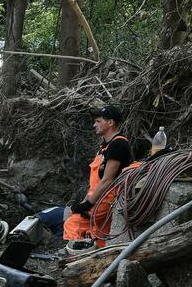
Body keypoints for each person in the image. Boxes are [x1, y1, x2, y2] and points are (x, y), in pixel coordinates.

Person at [39, 105, 131, 251]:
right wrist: (85, 200)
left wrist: (88, 204)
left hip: (107, 198)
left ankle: (73, 259)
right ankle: (95, 257)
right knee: (97, 231)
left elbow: (107, 179)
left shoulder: (118, 144)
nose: (94, 125)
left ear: (110, 122)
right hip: (98, 196)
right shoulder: (105, 145)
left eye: (98, 121)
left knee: (73, 223)